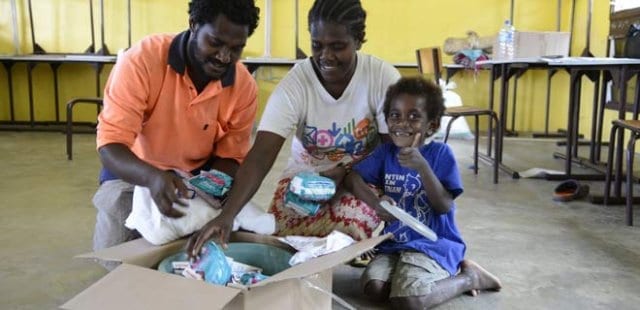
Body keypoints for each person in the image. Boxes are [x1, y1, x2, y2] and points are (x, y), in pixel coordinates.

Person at [187, 0, 401, 256]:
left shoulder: (381, 78)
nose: (326, 56)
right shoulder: (296, 85)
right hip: (307, 177)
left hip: (363, 177)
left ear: (358, 41)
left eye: (338, 46)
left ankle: (355, 242)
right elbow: (261, 155)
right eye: (317, 45)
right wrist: (227, 215)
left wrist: (362, 183)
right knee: (281, 236)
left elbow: (394, 152)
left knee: (346, 230)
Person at [92, 0, 260, 259]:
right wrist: (152, 178)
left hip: (196, 177)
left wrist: (205, 190)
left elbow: (231, 156)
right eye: (215, 42)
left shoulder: (243, 86)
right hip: (132, 171)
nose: (224, 57)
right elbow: (110, 144)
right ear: (193, 25)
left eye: (236, 48)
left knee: (210, 254)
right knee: (116, 259)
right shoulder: (143, 60)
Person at [343, 76, 502, 309]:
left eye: (414, 116)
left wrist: (422, 167)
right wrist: (376, 201)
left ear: (432, 125)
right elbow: (352, 177)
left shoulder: (440, 154)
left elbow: (444, 206)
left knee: (409, 301)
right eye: (395, 115)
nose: (402, 123)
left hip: (434, 245)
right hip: (395, 244)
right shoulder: (386, 153)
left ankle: (470, 278)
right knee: (373, 289)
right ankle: (407, 276)